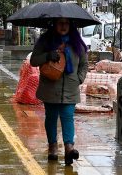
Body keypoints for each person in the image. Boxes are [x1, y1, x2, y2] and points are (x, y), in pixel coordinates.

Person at [30, 18, 88, 166]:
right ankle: (53, 146)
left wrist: (79, 79)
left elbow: (83, 64)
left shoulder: (77, 43)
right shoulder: (46, 41)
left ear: (71, 25)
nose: (63, 26)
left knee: (68, 117)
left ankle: (69, 148)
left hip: (70, 88)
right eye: (60, 23)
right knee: (51, 118)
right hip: (50, 88)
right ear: (54, 24)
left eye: (66, 23)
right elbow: (34, 60)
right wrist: (48, 55)